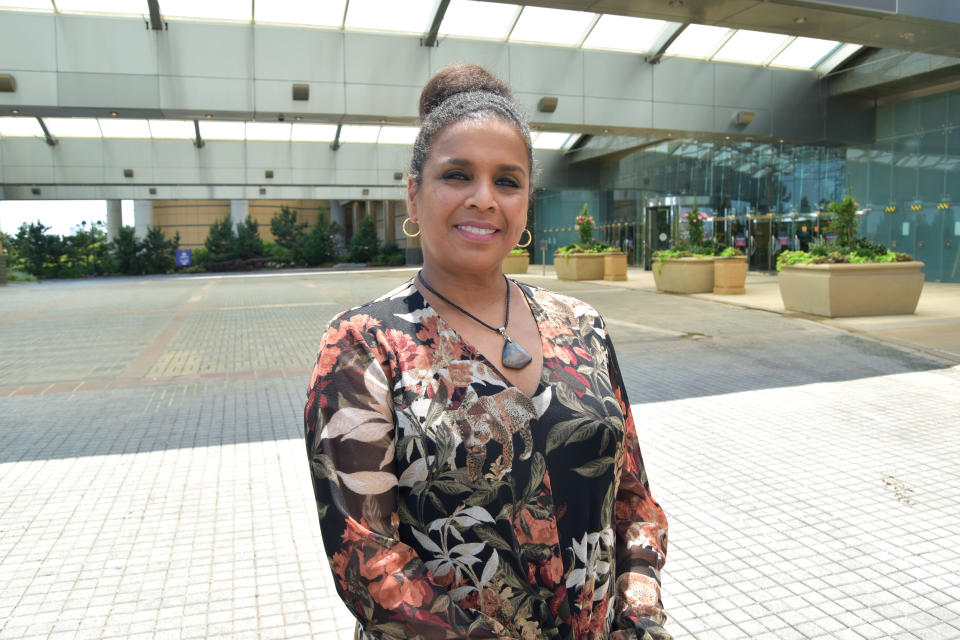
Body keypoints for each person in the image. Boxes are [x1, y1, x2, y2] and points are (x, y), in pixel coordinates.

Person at [304, 64, 670, 640]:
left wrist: (641, 614)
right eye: (457, 175)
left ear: (526, 201)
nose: (484, 199)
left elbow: (634, 501)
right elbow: (367, 561)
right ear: (413, 191)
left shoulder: (582, 326)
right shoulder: (362, 346)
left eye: (507, 181)